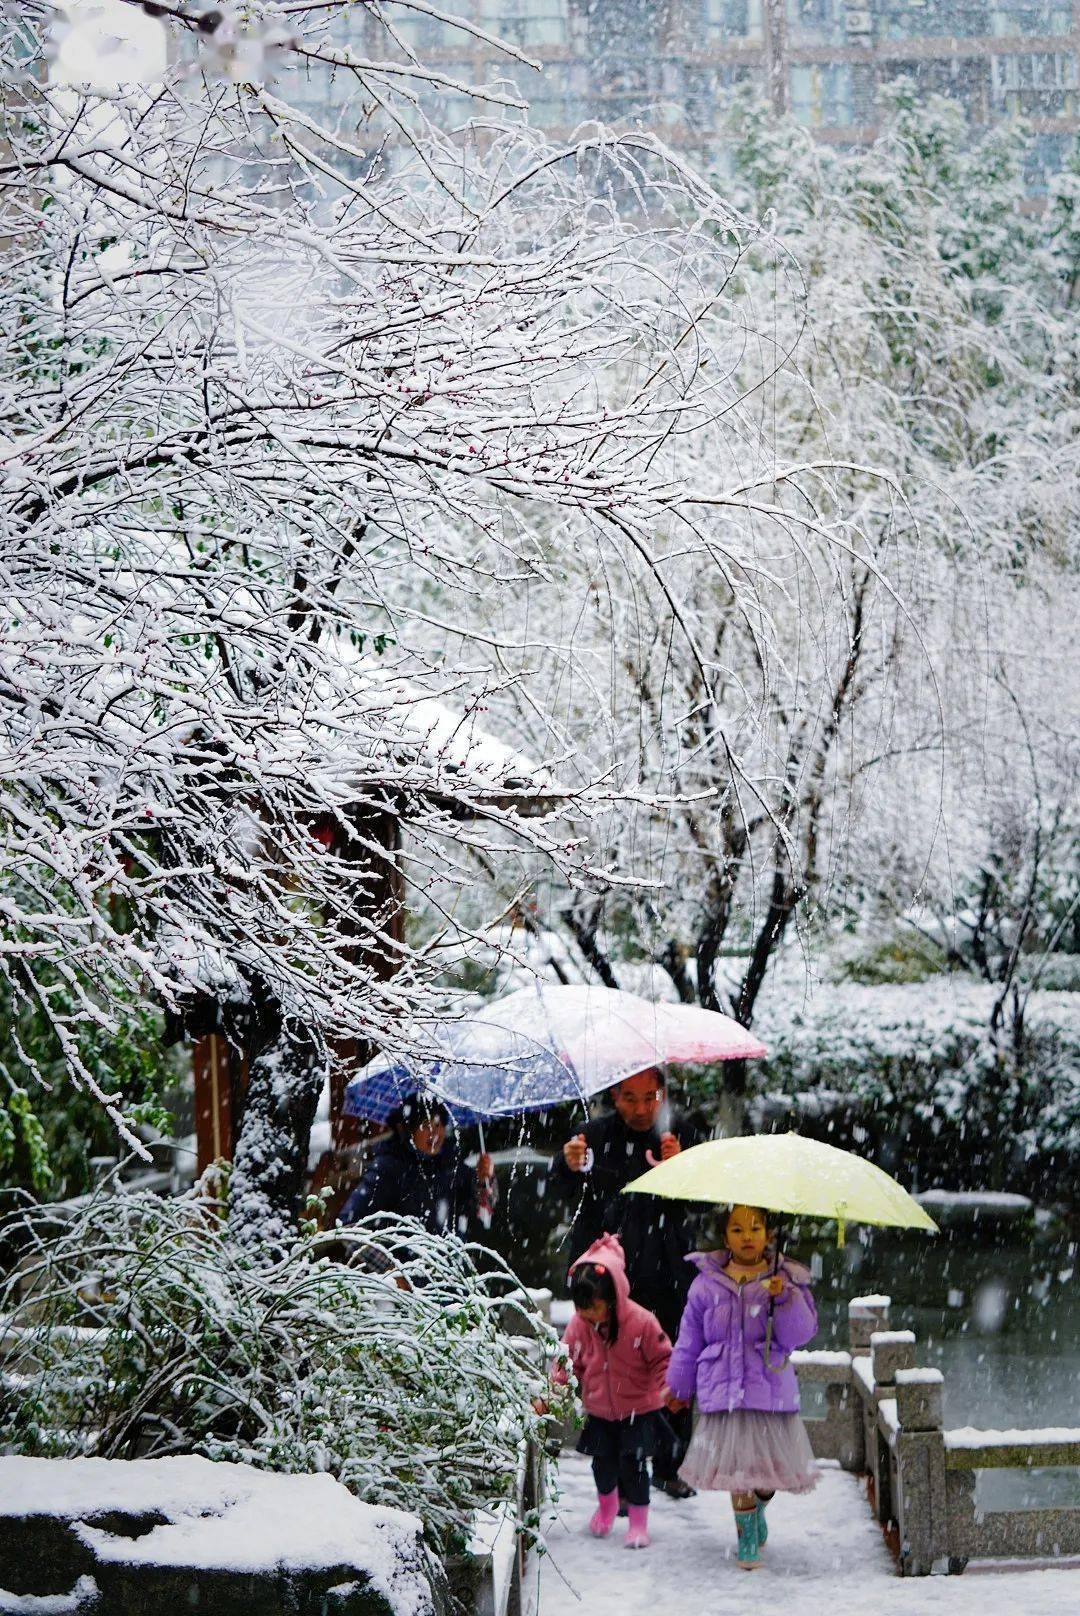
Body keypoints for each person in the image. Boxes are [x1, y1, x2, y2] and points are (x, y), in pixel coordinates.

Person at [549, 1067, 700, 1497]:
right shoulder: (592, 1136)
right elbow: (561, 1191)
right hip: (608, 1277)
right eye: (630, 1098)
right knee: (610, 1367)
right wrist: (567, 1164)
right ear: (614, 1095)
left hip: (668, 1272)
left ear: (662, 1095)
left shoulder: (681, 1135)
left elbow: (705, 1207)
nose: (640, 1108)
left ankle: (670, 1466)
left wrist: (682, 1168)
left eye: (650, 1097)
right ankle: (614, 1465)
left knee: (674, 1363)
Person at [664, 1203, 819, 1571]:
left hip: (769, 1391)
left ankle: (758, 1510)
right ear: (724, 1236)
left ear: (768, 1234)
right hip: (723, 1390)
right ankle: (746, 1540)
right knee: (738, 1474)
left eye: (755, 1229)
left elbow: (800, 1335)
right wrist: (678, 1387)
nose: (747, 1237)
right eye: (737, 1229)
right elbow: (689, 1340)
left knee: (767, 1476)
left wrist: (784, 1298)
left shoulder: (785, 1277)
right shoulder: (705, 1284)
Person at [548, 1233, 674, 1550]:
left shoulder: (641, 1322)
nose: (587, 1315)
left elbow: (663, 1358)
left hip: (637, 1410)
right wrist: (554, 1388)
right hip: (599, 1410)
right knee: (602, 1465)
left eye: (594, 1307)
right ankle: (606, 1509)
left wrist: (667, 1388)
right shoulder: (579, 1325)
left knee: (633, 1467)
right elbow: (566, 1362)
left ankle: (638, 1523)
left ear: (613, 1297)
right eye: (582, 1308)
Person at [339, 1095, 494, 1238]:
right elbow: (349, 1226)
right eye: (426, 1125)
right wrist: (390, 1263)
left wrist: (483, 1181)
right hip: (408, 1265)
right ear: (407, 1129)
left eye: (439, 1124)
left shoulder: (452, 1165)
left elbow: (482, 1218)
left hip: (448, 1263)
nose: (435, 1133)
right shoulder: (388, 1169)